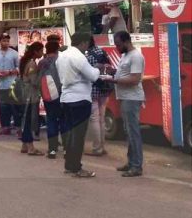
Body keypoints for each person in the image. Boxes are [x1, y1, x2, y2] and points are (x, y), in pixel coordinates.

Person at [57, 32, 101, 178]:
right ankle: (76, 168)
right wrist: (98, 68)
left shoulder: (62, 56)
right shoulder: (79, 56)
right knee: (79, 136)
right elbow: (93, 76)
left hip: (66, 99)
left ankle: (69, 165)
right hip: (80, 99)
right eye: (87, 43)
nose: (87, 46)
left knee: (69, 134)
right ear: (83, 43)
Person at [105, 31, 146, 177]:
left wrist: (113, 80)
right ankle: (131, 162)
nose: (117, 47)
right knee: (128, 131)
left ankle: (136, 166)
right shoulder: (125, 56)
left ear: (126, 41)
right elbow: (125, 73)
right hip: (125, 97)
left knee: (133, 132)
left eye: (118, 44)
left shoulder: (136, 56)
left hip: (132, 98)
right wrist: (114, 72)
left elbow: (134, 79)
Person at [39, 40, 66, 159]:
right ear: (57, 49)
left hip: (48, 95)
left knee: (51, 120)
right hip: (62, 94)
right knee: (64, 120)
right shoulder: (61, 60)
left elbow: (38, 79)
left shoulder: (42, 62)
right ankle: (66, 148)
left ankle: (52, 150)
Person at [85, 37, 111, 157]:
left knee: (94, 119)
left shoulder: (88, 56)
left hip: (93, 89)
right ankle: (103, 147)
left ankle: (97, 148)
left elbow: (86, 74)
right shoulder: (103, 52)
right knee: (102, 118)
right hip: (105, 88)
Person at [19, 42, 44, 156]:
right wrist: (41, 74)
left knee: (25, 120)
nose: (42, 53)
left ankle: (24, 145)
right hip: (30, 96)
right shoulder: (32, 64)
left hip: (25, 95)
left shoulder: (26, 62)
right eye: (41, 51)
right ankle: (30, 147)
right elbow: (34, 81)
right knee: (29, 121)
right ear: (35, 51)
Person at [0, 32, 20, 135]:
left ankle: (19, 128)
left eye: (7, 41)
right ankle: (6, 127)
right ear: (0, 41)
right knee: (3, 107)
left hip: (12, 84)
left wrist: (9, 72)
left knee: (14, 107)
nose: (6, 43)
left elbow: (19, 68)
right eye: (4, 40)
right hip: (0, 84)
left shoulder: (14, 53)